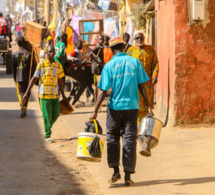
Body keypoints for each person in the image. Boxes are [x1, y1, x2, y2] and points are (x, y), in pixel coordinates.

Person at [89, 36, 153, 186]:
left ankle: (115, 171)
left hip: (114, 108)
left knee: (112, 138)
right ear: (124, 48)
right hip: (132, 108)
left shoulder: (109, 65)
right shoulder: (135, 62)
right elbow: (142, 86)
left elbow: (102, 91)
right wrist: (149, 105)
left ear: (111, 50)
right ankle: (128, 176)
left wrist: (95, 110)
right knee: (129, 140)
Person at [23, 45, 66, 141]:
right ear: (46, 53)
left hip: (55, 94)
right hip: (44, 95)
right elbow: (34, 78)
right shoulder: (41, 65)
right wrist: (26, 92)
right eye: (50, 52)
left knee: (56, 113)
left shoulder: (58, 64)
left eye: (53, 52)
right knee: (46, 115)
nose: (52, 54)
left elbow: (60, 80)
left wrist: (63, 94)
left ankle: (47, 127)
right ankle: (47, 135)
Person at [127, 31, 159, 121]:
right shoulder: (131, 51)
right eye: (137, 38)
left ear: (144, 39)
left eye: (141, 38)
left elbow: (156, 63)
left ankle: (145, 121)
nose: (139, 39)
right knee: (136, 101)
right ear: (134, 40)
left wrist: (155, 75)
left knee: (146, 101)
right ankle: (136, 122)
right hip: (134, 81)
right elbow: (127, 64)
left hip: (147, 81)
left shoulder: (150, 49)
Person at [13, 36, 31, 118]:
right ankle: (25, 108)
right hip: (27, 77)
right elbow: (31, 68)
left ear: (17, 43)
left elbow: (13, 68)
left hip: (19, 76)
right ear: (24, 43)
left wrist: (14, 79)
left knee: (20, 93)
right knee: (27, 93)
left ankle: (23, 107)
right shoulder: (29, 54)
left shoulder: (14, 54)